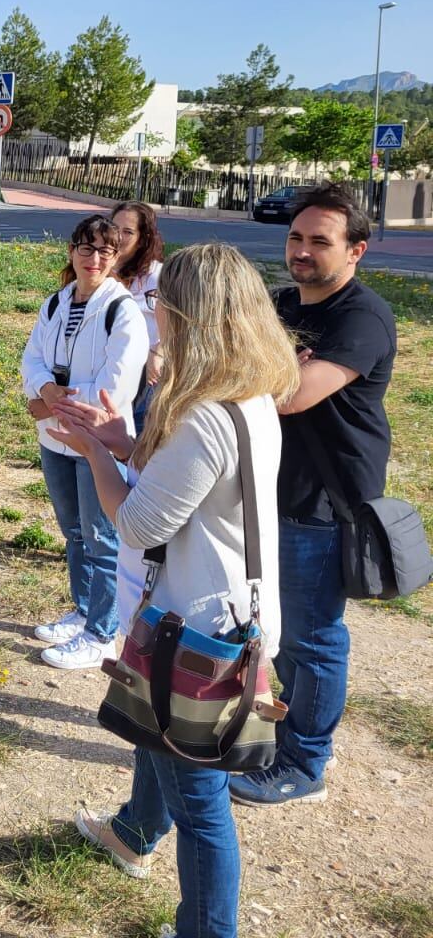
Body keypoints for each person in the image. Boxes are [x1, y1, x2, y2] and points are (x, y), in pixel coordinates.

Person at [49, 243, 299, 938]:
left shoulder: (202, 415)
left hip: (194, 632)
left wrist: (96, 452)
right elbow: (189, 486)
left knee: (202, 807)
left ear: (188, 316)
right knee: (157, 738)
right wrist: (123, 441)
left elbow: (135, 520)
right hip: (226, 612)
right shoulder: (249, 398)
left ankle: (208, 931)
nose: (153, 313)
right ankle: (132, 831)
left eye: (161, 303)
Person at [230, 183, 396, 808]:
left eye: (319, 241)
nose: (302, 250)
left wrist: (272, 369)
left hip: (325, 503)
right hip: (270, 493)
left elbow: (291, 393)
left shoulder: (362, 317)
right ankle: (283, 735)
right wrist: (275, 363)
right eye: (296, 237)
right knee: (281, 632)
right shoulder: (280, 302)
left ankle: (305, 764)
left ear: (356, 250)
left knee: (314, 638)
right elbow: (241, 364)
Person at [20, 214, 148, 669]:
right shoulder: (55, 303)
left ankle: (102, 633)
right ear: (72, 252)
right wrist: (45, 391)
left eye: (104, 252)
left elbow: (116, 386)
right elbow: (32, 357)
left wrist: (51, 401)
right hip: (55, 437)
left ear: (115, 259)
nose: (93, 259)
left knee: (102, 536)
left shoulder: (122, 310)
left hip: (97, 441)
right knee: (74, 532)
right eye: (86, 249)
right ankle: (83, 611)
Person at [110, 200, 165, 432]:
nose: (119, 237)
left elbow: (181, 321)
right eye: (115, 229)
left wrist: (158, 352)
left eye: (128, 232)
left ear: (143, 238)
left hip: (147, 377)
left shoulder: (156, 275)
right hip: (111, 371)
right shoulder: (99, 269)